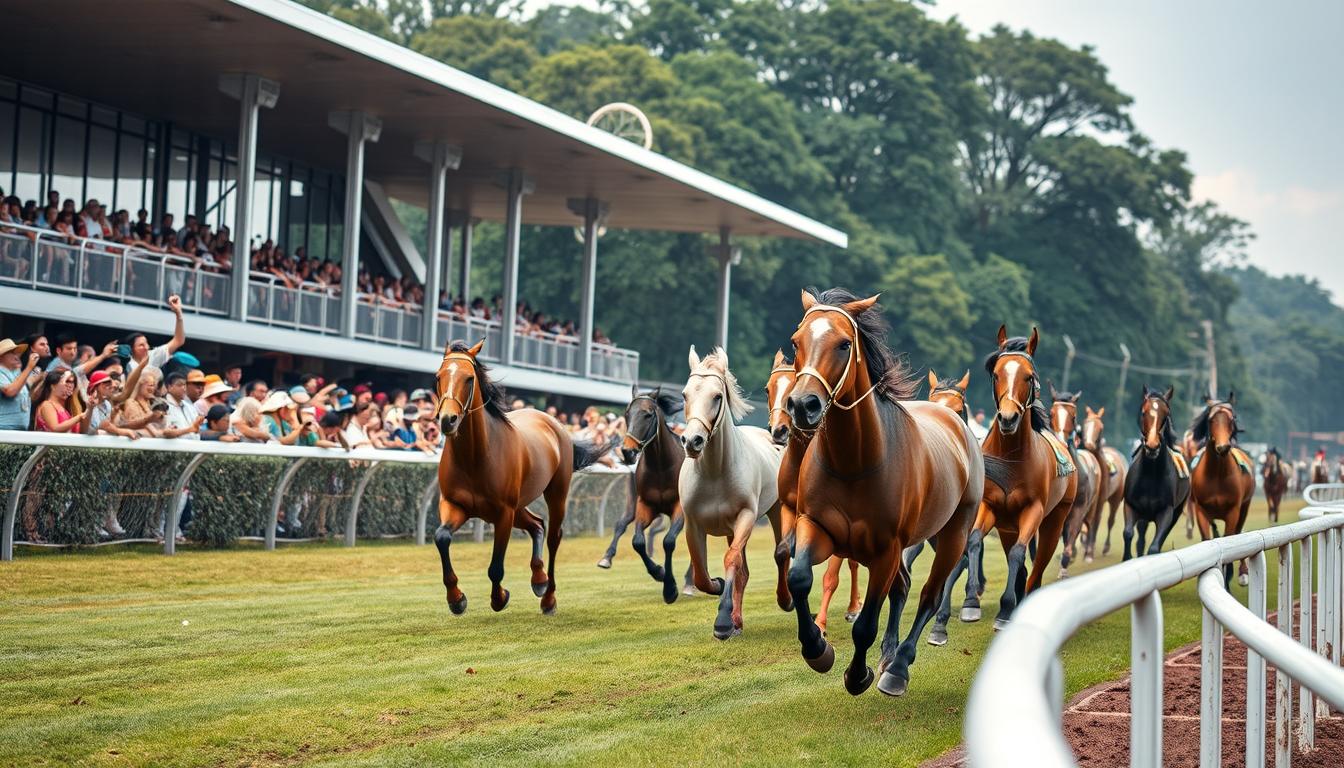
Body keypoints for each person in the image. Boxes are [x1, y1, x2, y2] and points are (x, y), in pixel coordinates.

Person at [125, 294, 186, 375]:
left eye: (146, 343)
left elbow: (179, 340)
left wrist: (179, 314)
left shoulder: (152, 356)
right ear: (131, 350)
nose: (146, 347)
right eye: (141, 345)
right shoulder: (129, 366)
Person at [0, 338, 38, 430]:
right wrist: (29, 367)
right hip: (4, 430)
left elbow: (28, 397)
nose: (16, 356)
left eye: (16, 352)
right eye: (12, 352)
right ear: (1, 357)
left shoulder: (17, 373)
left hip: (20, 430)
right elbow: (10, 391)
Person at [161, 372, 203, 439]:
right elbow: (166, 432)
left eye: (185, 385)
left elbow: (197, 429)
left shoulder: (190, 407)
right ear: (169, 387)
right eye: (179, 385)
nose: (184, 388)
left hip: (194, 446)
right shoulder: (163, 406)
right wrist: (190, 430)